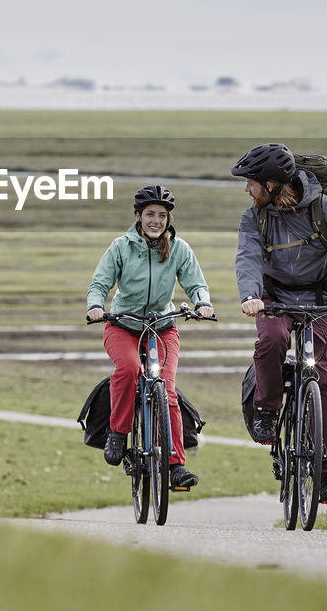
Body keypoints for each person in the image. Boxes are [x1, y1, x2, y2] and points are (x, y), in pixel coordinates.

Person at [230, 143, 327, 505]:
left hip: (322, 298)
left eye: (252, 183)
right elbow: (248, 256)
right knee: (270, 341)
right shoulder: (255, 216)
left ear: (273, 184)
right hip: (274, 297)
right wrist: (250, 295)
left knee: (326, 379)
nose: (247, 190)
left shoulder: (325, 210)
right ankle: (267, 410)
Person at [87, 184, 214, 490]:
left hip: (162, 327)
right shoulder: (120, 247)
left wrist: (203, 303)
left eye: (162, 215)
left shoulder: (180, 249)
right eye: (150, 214)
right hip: (122, 326)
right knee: (129, 370)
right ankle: (117, 434)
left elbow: (196, 283)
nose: (156, 220)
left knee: (167, 390)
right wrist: (95, 305)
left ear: (168, 219)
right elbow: (100, 283)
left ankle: (176, 465)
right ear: (138, 217)